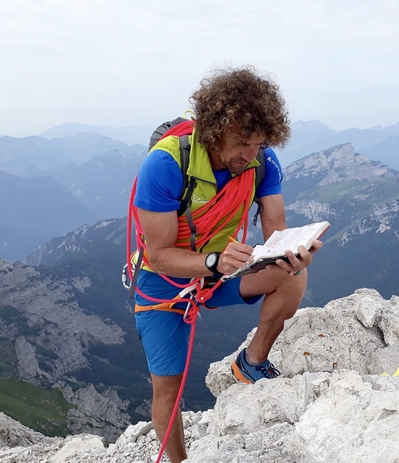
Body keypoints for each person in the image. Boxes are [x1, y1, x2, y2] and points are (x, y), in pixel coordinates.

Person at [132, 65, 323, 463]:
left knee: (293, 275)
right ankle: (179, 461)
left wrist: (292, 251)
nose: (250, 156)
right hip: (166, 283)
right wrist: (214, 261)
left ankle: (250, 363)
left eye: (259, 143)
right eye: (242, 143)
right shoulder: (166, 164)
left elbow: (276, 229)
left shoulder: (261, 161)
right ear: (214, 129)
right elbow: (159, 254)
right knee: (167, 390)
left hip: (223, 269)